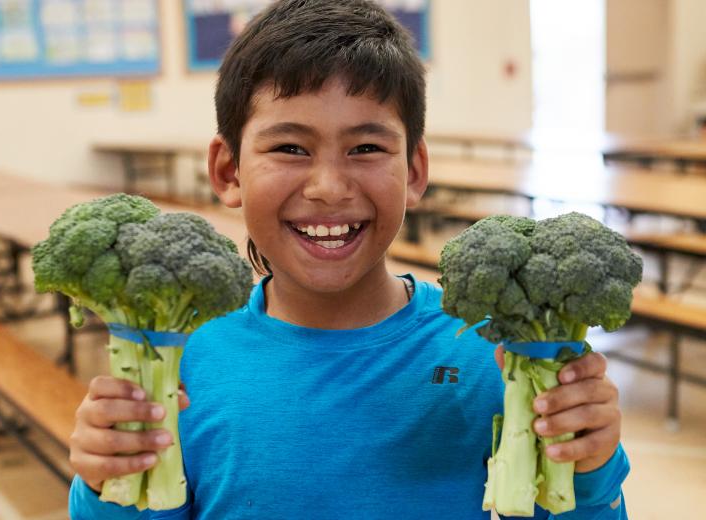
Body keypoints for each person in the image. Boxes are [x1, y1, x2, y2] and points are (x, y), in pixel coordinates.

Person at [68, 1, 629, 518]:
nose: (329, 187)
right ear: (228, 171)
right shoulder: (180, 358)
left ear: (413, 171)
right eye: (289, 148)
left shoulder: (495, 353)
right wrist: (104, 483)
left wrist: (589, 468)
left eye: (366, 148)